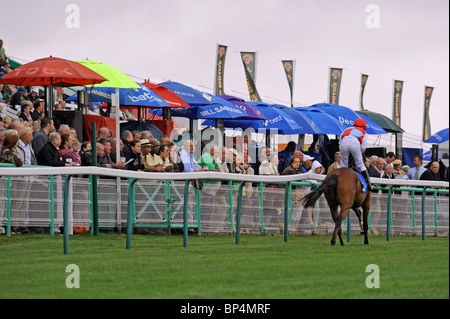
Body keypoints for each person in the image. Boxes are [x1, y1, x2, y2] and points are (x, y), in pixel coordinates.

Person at [339, 118, 372, 191]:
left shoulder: (346, 129)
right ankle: (368, 184)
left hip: (343, 143)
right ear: (363, 127)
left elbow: (340, 141)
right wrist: (357, 154)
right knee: (360, 164)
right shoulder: (363, 132)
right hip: (355, 143)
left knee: (344, 164)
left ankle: (339, 179)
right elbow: (363, 148)